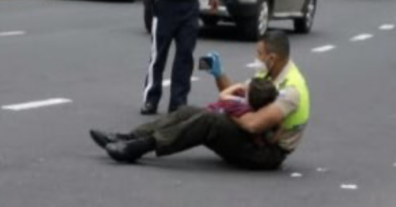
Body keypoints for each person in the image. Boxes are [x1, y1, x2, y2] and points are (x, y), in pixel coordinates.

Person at [90, 31, 310, 171]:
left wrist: (225, 106)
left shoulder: (291, 90)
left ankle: (138, 148)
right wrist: (219, 74)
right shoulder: (268, 74)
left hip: (265, 153)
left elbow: (253, 124)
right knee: (188, 111)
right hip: (252, 139)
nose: (257, 58)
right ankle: (128, 137)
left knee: (209, 119)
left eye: (259, 54)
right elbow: (238, 100)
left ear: (272, 58)